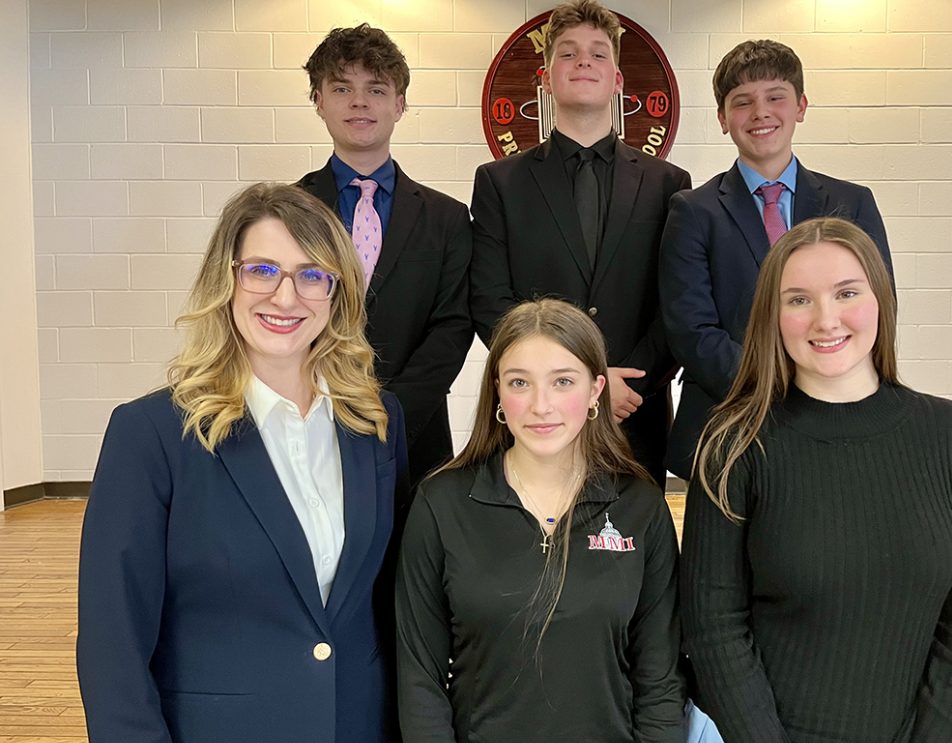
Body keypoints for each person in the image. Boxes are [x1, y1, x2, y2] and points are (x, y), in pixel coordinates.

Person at [76, 183, 410, 743]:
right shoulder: (152, 434)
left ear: (337, 294)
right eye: (263, 270)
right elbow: (112, 650)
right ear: (225, 280)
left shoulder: (376, 421)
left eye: (313, 275)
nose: (286, 295)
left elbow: (385, 605)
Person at [680, 218, 952, 743]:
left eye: (847, 293)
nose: (825, 319)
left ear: (881, 301)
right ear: (773, 318)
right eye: (799, 299)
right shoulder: (734, 443)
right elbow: (713, 632)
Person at [396, 298, 684, 743]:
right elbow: (419, 678)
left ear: (596, 390)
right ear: (498, 393)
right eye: (520, 382)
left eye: (563, 381)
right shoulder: (442, 504)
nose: (541, 405)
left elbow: (659, 684)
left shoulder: (640, 507)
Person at [470, 0, 691, 486]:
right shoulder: (500, 182)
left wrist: (624, 383)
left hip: (635, 410)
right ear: (546, 80)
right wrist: (572, 384)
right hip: (537, 412)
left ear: (617, 80)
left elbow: (676, 302)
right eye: (567, 54)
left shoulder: (668, 181)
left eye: (597, 54)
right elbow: (490, 301)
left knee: (634, 554)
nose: (583, 61)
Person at [659, 39, 893, 480]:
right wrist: (778, 389)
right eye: (742, 102)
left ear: (801, 106)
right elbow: (692, 331)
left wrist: (819, 388)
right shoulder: (693, 211)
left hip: (836, 414)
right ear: (723, 119)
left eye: (775, 97)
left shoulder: (852, 203)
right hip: (726, 420)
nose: (760, 112)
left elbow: (877, 307)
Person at [298, 23, 473, 483]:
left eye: (376, 88)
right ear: (319, 101)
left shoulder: (447, 218)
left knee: (411, 553)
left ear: (399, 104)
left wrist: (392, 412)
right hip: (305, 420)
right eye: (342, 88)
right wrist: (318, 401)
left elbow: (452, 326)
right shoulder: (286, 212)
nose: (359, 101)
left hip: (414, 434)